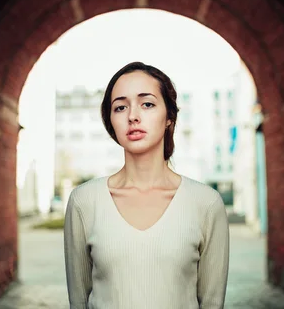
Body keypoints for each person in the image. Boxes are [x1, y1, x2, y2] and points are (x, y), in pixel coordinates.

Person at [64, 61, 230, 309]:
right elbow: (78, 302)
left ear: (169, 118)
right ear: (111, 122)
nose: (133, 116)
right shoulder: (83, 202)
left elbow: (212, 303)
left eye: (148, 104)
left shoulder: (206, 203)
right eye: (120, 107)